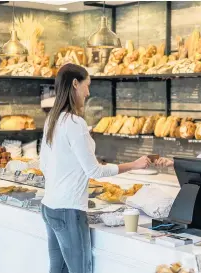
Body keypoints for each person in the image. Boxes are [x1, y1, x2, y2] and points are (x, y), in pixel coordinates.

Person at [39, 63, 151, 273]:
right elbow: (95, 171)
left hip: (50, 206)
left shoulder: (52, 119)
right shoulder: (75, 123)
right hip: (69, 210)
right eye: (87, 85)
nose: (88, 92)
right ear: (75, 84)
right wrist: (134, 165)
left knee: (58, 269)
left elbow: (43, 165)